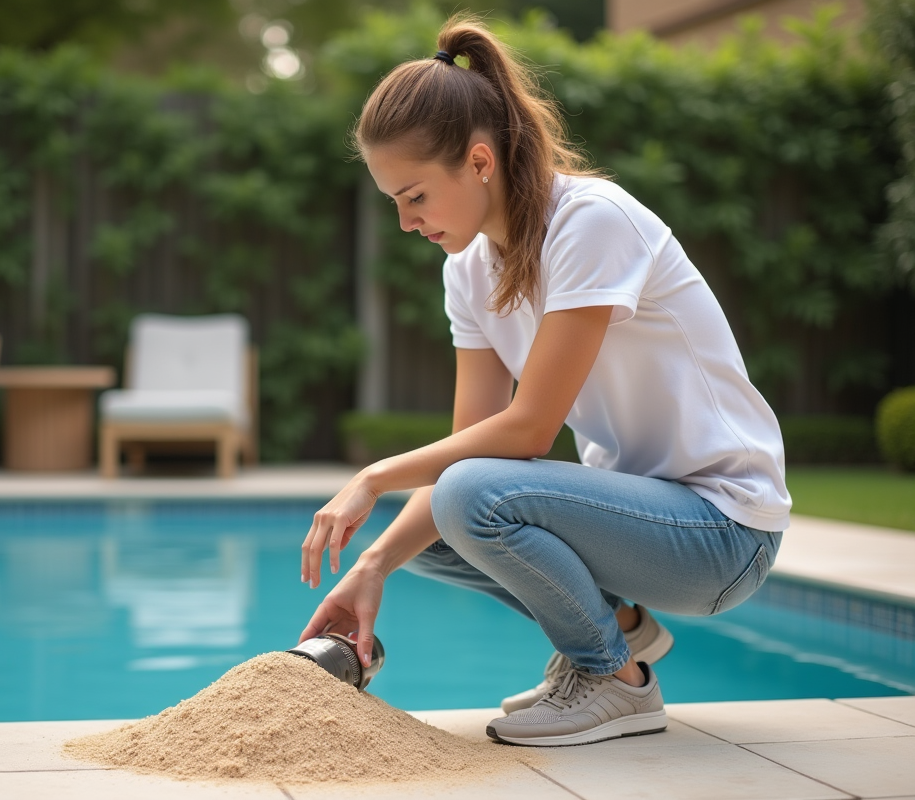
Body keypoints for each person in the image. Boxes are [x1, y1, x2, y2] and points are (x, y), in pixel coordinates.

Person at [296, 15, 790, 748]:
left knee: (463, 494)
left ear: (480, 162)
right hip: (638, 526)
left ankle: (613, 680)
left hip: (722, 531)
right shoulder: (467, 270)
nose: (405, 221)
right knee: (424, 529)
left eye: (416, 196)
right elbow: (474, 446)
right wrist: (371, 567)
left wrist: (372, 474)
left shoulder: (590, 223)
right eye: (394, 203)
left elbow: (528, 431)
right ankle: (620, 632)